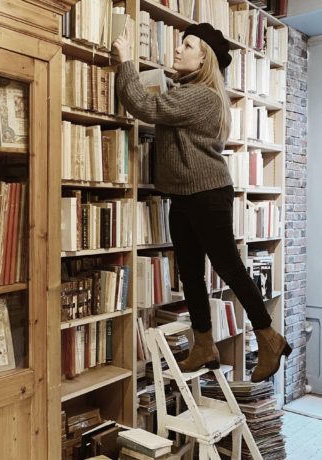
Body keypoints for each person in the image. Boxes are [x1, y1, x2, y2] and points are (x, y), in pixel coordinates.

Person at [112, 22, 291, 382]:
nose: (178, 49)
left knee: (228, 267)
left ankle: (268, 336)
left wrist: (126, 62)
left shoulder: (203, 96)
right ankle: (204, 344)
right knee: (190, 274)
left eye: (187, 45)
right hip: (184, 194)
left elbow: (144, 104)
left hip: (206, 194)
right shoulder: (187, 91)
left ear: (203, 57)